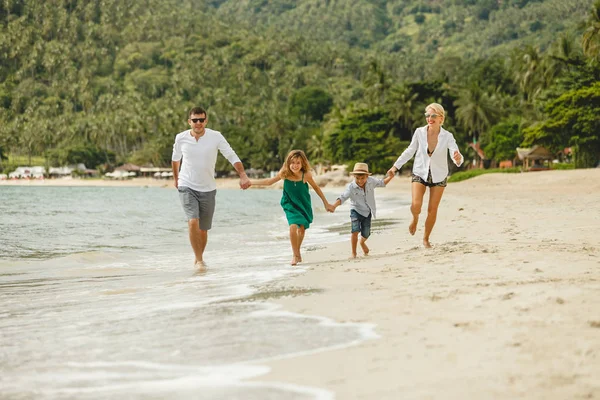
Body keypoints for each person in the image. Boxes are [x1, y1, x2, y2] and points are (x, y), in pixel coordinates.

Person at [172, 106, 251, 269]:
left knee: (203, 229)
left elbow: (231, 155)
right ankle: (199, 259)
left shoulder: (216, 137)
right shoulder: (181, 138)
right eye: (195, 120)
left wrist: (242, 174)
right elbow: (175, 159)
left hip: (208, 188)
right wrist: (176, 179)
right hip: (187, 185)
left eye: (201, 120)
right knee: (193, 220)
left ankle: (199, 257)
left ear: (206, 121)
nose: (198, 123)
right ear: (189, 122)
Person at [387, 103, 463, 248]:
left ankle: (426, 239)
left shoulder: (447, 136)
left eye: (433, 115)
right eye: (427, 115)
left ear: (441, 118)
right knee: (416, 205)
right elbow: (410, 151)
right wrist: (395, 166)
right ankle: (415, 218)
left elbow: (455, 153)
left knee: (432, 209)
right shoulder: (419, 132)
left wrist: (458, 159)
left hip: (439, 175)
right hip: (420, 171)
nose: (429, 118)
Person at [250, 150, 333, 266]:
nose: (295, 165)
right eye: (292, 162)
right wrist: (251, 182)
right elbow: (269, 182)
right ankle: (295, 255)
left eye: (298, 162)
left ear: (302, 163)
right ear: (288, 163)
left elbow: (317, 188)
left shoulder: (306, 175)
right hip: (289, 204)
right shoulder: (285, 174)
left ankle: (297, 252)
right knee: (293, 226)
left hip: (303, 204)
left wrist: (326, 203)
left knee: (302, 229)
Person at [330, 162, 394, 258]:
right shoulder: (351, 187)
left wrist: (391, 177)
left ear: (367, 176)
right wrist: (334, 206)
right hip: (355, 210)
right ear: (354, 177)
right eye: (357, 178)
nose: (360, 181)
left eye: (362, 178)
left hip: (367, 211)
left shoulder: (371, 181)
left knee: (366, 234)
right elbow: (342, 197)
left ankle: (362, 242)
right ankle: (353, 253)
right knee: (354, 231)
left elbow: (382, 183)